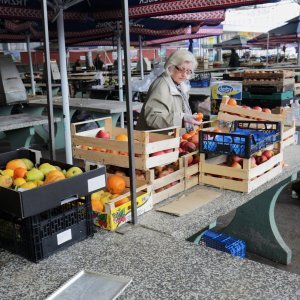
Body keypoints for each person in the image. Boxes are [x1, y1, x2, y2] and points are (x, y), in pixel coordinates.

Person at [136, 49, 202, 132]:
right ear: (171, 66)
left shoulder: (178, 84)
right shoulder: (162, 85)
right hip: (156, 140)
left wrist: (189, 118)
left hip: (172, 139)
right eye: (181, 69)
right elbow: (152, 117)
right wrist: (182, 119)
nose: (185, 75)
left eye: (188, 71)